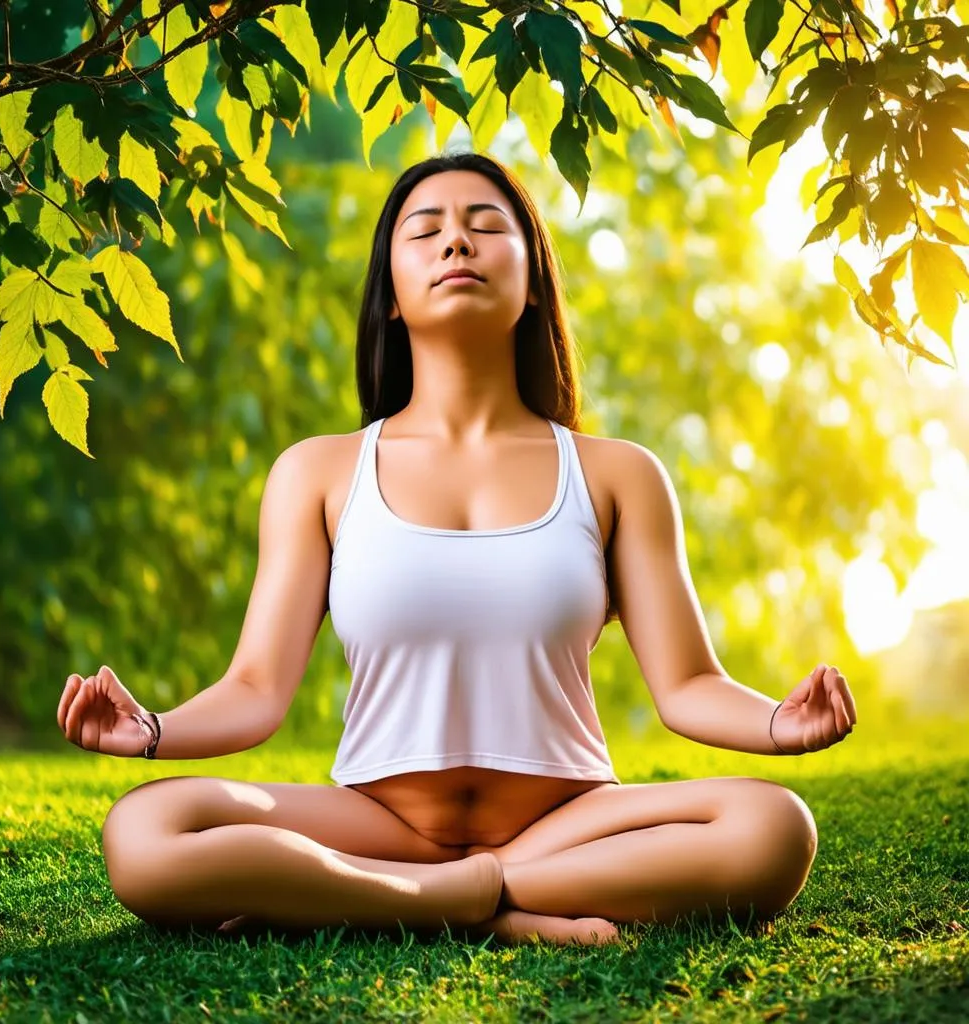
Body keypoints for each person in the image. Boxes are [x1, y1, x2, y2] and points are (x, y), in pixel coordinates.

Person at [56, 151, 857, 948]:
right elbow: (257, 688)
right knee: (145, 833)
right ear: (392, 295)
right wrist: (154, 730)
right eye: (426, 230)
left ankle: (420, 900)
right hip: (379, 820)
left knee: (775, 826)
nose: (456, 244)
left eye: (485, 226)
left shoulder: (618, 474)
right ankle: (478, 903)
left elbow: (687, 685)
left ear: (534, 277)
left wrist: (778, 724)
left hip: (568, 824)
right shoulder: (318, 472)